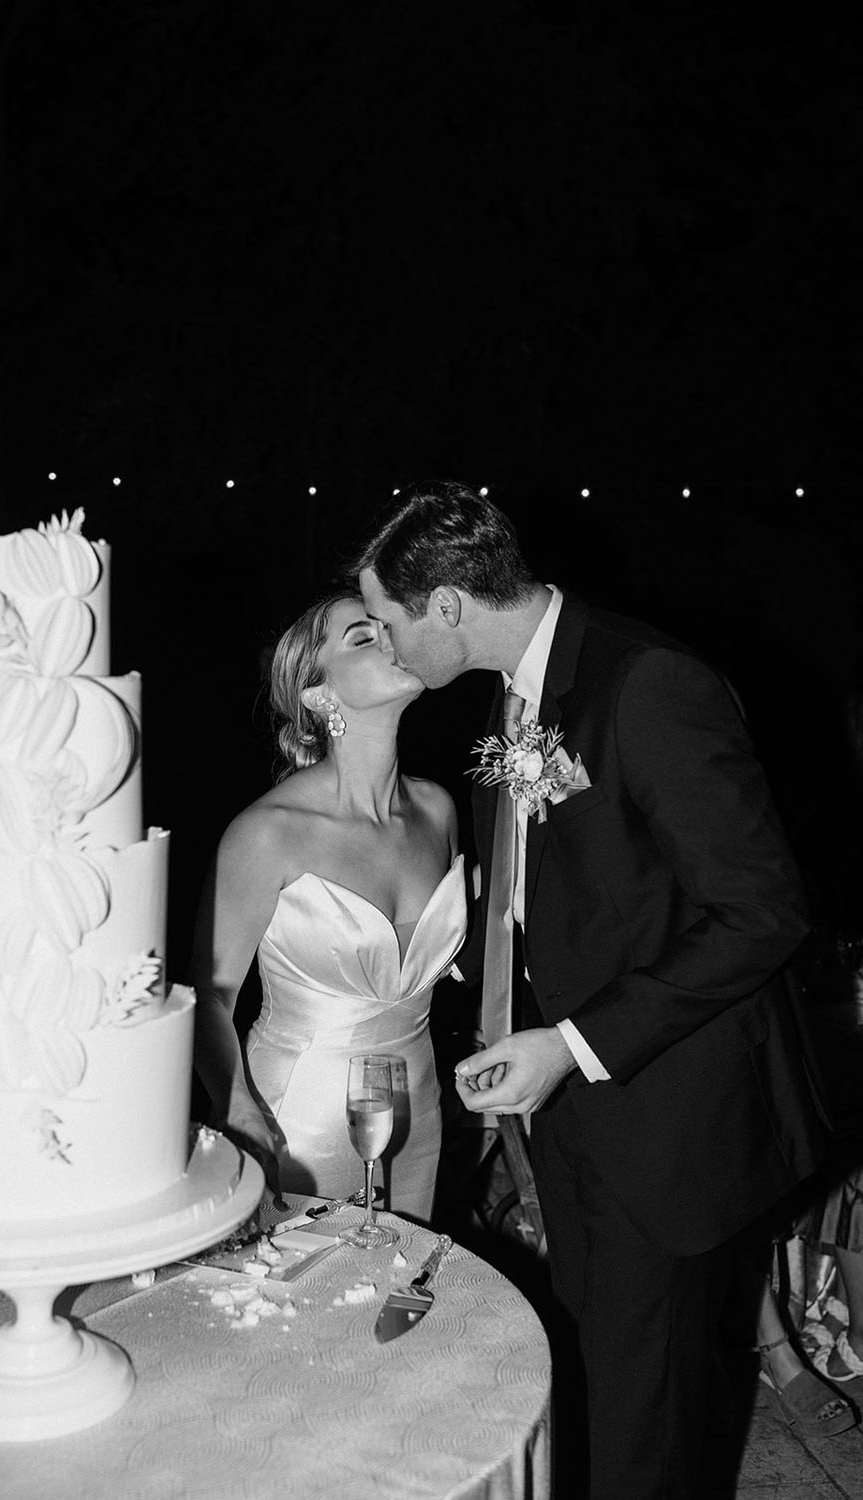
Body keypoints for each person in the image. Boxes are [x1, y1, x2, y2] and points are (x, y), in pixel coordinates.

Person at [354, 481, 829, 1500]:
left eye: (389, 624)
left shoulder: (647, 681)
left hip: (665, 1113)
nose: (387, 648)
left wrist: (569, 1043)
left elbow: (761, 913)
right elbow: (548, 881)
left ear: (445, 606)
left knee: (639, 1416)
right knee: (605, 1385)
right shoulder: (515, 695)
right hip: (571, 1106)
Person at [189, 592, 466, 1222]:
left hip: (416, 1119)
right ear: (320, 695)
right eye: (361, 637)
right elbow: (208, 995)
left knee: (394, 1303)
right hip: (296, 1125)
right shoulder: (270, 832)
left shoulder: (438, 811)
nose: (391, 639)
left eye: (388, 626)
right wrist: (237, 1110)